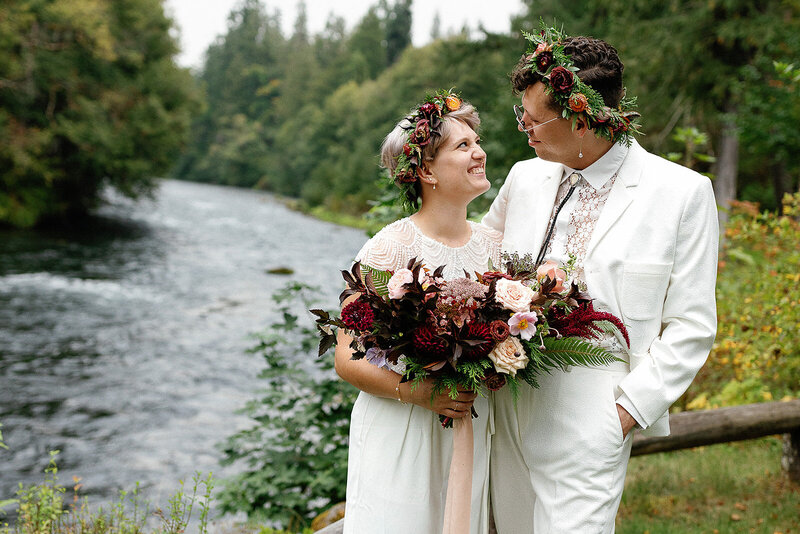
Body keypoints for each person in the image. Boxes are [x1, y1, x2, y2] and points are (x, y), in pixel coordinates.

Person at [483, 27, 718, 533]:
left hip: (595, 414)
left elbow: (692, 325)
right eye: (520, 113)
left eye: (534, 118)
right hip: (504, 407)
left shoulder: (681, 194)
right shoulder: (524, 177)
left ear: (583, 120)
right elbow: (476, 263)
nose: (524, 128)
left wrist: (624, 414)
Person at [335, 90, 502, 534]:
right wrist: (422, 393)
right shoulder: (386, 249)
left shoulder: (494, 248)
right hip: (403, 426)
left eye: (476, 141)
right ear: (426, 170)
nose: (479, 152)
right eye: (462, 146)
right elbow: (346, 358)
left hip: (468, 427)